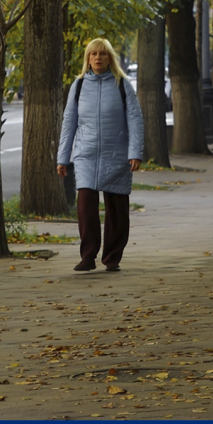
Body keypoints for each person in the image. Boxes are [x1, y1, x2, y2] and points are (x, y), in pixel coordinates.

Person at [57, 38, 144, 273]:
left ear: (110, 58)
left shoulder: (122, 85)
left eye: (102, 54)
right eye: (93, 54)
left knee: (116, 208)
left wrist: (135, 153)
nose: (97, 58)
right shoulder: (78, 86)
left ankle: (112, 257)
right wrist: (62, 157)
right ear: (88, 58)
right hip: (85, 154)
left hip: (116, 153)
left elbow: (135, 120)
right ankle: (87, 256)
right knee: (85, 204)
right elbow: (69, 123)